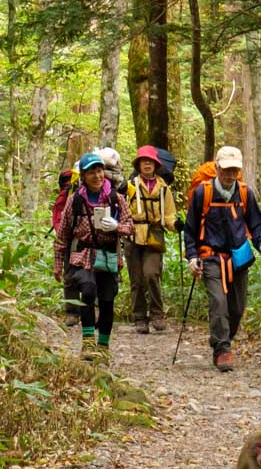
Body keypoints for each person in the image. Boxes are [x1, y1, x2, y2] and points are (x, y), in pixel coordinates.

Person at [183, 146, 261, 372]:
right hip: (210, 257)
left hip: (239, 257)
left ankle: (224, 339)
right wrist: (192, 257)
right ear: (217, 168)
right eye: (226, 170)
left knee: (237, 308)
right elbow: (190, 228)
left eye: (234, 170)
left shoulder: (244, 193)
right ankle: (222, 349)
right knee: (218, 302)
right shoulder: (202, 193)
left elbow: (256, 223)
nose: (230, 175)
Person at [54, 152, 135, 361]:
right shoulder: (75, 200)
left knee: (108, 301)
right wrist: (57, 264)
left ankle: (103, 347)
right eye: (91, 172)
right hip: (83, 255)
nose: (97, 176)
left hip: (108, 256)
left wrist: (117, 227)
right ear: (83, 175)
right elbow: (63, 235)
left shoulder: (115, 198)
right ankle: (88, 343)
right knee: (88, 291)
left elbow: (130, 227)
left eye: (99, 171)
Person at [125, 145, 176, 334]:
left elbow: (169, 214)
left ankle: (157, 314)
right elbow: (122, 208)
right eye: (143, 161)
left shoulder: (163, 189)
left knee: (151, 274)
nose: (147, 164)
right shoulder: (129, 186)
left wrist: (175, 225)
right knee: (136, 279)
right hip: (132, 234)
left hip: (154, 234)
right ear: (138, 165)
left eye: (150, 162)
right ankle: (140, 317)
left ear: (156, 165)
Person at [51, 169, 79, 326]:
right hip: (72, 238)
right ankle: (75, 312)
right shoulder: (71, 198)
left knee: (70, 276)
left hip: (77, 239)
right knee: (72, 276)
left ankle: (73, 312)